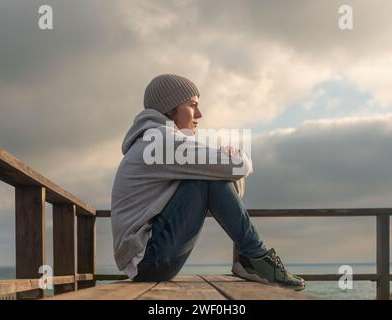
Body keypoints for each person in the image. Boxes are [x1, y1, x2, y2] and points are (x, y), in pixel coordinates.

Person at [111, 74, 305, 290]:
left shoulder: (156, 140)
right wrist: (235, 156)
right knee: (202, 179)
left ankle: (252, 258)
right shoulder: (162, 142)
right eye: (193, 105)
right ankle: (254, 257)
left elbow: (229, 182)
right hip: (149, 261)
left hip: (147, 259)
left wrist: (222, 170)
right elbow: (241, 166)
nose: (200, 114)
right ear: (170, 107)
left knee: (205, 175)